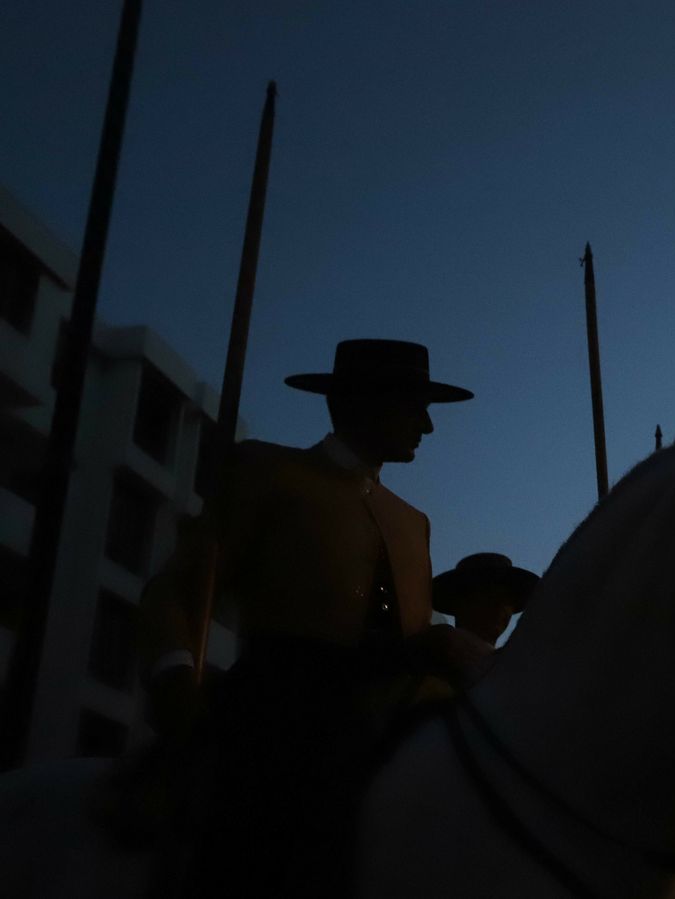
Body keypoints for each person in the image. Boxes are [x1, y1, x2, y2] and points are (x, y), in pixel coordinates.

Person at [135, 338, 487, 897]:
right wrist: (177, 681)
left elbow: (412, 637)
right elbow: (177, 590)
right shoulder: (267, 472)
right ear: (364, 405)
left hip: (394, 710)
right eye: (414, 406)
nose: (427, 426)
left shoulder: (412, 521)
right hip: (281, 706)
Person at [431, 552, 539, 647]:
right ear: (461, 604)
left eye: (508, 601)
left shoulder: (512, 664)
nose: (501, 608)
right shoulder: (435, 652)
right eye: (490, 598)